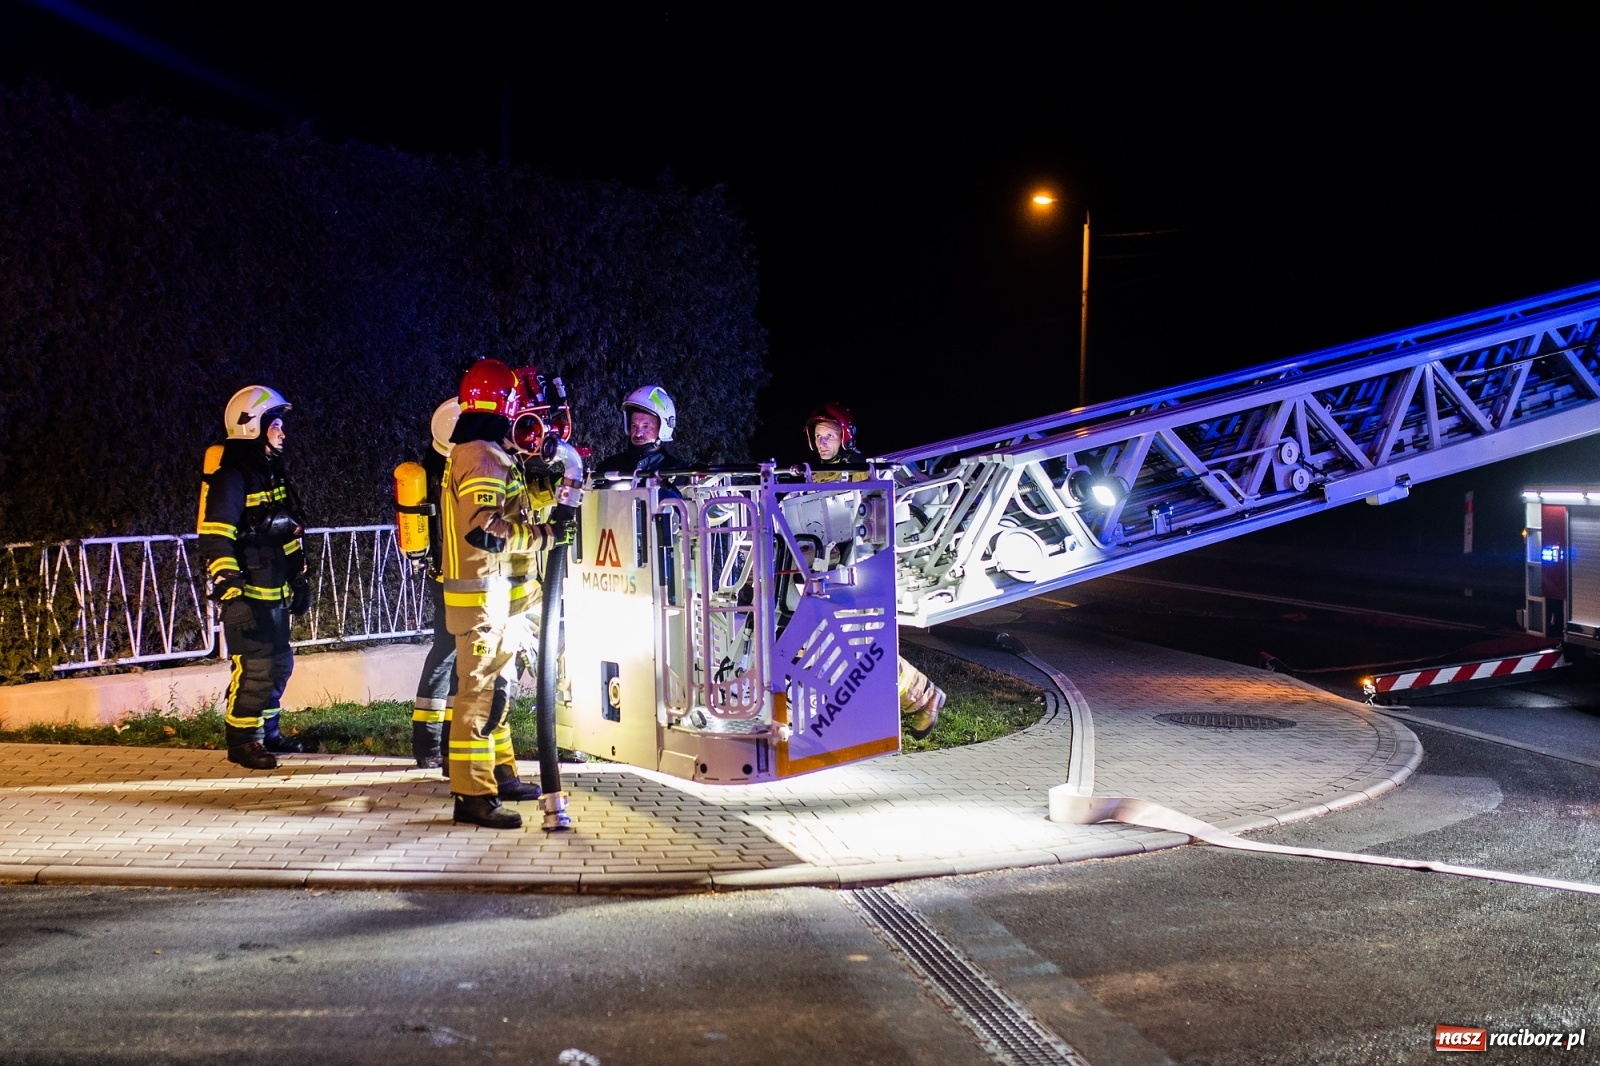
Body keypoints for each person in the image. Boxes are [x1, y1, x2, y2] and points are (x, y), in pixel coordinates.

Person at [441, 359, 566, 829]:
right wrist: (544, 536)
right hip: (481, 603)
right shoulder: (480, 456)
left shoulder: (492, 453)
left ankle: (499, 772)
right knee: (476, 696)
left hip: (499, 600)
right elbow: (484, 531)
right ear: (504, 407)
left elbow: (509, 507)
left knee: (498, 692)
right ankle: (471, 795)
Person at [798, 401, 945, 739]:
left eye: (829, 436)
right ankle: (917, 698)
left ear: (845, 437)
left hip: (854, 571)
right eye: (818, 436)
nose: (822, 443)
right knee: (821, 644)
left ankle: (921, 697)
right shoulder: (812, 473)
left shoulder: (862, 470)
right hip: (822, 570)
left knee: (857, 647)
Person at [197, 386, 311, 770]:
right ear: (253, 427)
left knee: (279, 664)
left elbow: (287, 531)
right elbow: (215, 536)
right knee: (256, 667)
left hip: (274, 589)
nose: (282, 433)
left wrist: (300, 579)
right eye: (275, 425)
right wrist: (230, 593)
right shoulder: (232, 477)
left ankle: (267, 732)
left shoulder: (271, 473)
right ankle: (243, 740)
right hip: (246, 593)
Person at [410, 398, 460, 771]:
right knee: (448, 655)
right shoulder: (450, 471)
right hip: (453, 579)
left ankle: (439, 744)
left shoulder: (439, 465)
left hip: (449, 577)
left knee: (451, 657)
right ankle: (432, 745)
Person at [592, 384, 689, 480]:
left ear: (663, 428)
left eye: (646, 426)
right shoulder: (610, 467)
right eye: (634, 425)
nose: (638, 433)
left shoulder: (680, 473)